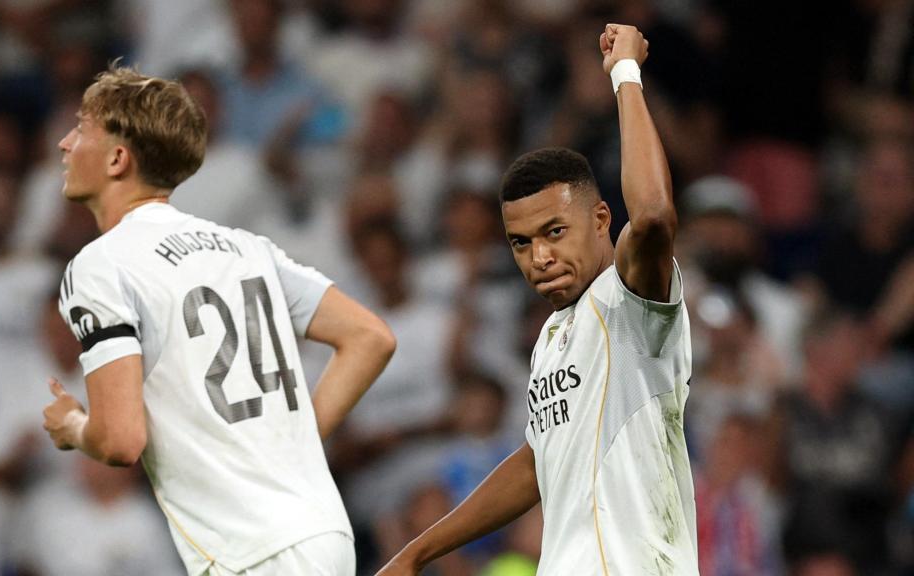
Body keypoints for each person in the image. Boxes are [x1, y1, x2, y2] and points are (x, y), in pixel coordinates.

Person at [40, 66, 396, 576]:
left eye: (81, 129)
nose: (64, 143)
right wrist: (294, 445)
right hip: (319, 529)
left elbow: (120, 440)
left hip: (250, 549)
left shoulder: (100, 265)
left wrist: (74, 426)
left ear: (118, 158)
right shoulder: (246, 247)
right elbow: (370, 337)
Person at [377, 24, 698, 575]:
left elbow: (652, 216)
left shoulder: (630, 302)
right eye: (521, 243)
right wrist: (417, 551)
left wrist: (625, 75)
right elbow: (535, 465)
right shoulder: (551, 339)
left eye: (554, 232)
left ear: (601, 219)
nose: (539, 257)